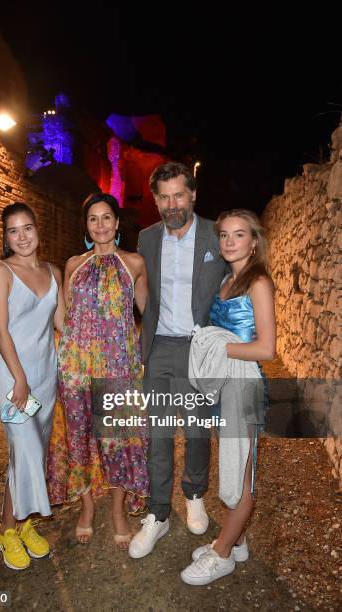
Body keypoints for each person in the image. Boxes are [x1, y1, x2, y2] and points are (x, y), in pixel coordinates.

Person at [128, 162, 227, 559]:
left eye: (178, 195)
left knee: (198, 428)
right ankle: (158, 513)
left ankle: (195, 493)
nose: (172, 204)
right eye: (163, 197)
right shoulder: (147, 238)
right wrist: (147, 319)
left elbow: (237, 279)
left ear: (193, 195)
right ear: (155, 200)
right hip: (160, 348)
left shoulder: (214, 235)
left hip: (200, 347)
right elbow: (140, 283)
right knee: (159, 433)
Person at [46, 192, 149, 549]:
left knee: (117, 438)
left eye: (107, 217)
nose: (101, 225)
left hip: (118, 365)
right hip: (76, 366)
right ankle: (87, 507)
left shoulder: (134, 263)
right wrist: (60, 351)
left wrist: (140, 355)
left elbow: (147, 313)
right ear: (86, 226)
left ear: (118, 223)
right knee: (80, 436)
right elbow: (62, 315)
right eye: (93, 219)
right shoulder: (74, 264)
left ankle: (118, 510)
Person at [181, 208, 276, 585]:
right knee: (232, 465)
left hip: (244, 387)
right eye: (224, 235)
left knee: (243, 477)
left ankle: (221, 555)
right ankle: (235, 541)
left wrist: (219, 348)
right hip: (223, 387)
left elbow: (266, 348)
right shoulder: (225, 280)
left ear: (254, 242)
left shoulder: (258, 283)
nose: (230, 242)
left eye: (239, 235)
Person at [0, 202, 65, 570]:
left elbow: (63, 324)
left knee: (32, 453)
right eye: (13, 231)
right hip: (12, 374)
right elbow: (0, 330)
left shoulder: (53, 272)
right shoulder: (0, 271)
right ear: (5, 237)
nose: (21, 237)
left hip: (46, 374)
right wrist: (19, 377)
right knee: (24, 448)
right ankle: (6, 532)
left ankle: (25, 523)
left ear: (38, 230)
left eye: (27, 228)